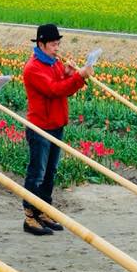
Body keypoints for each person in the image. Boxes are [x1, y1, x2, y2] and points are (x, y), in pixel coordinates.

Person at [21, 24, 93, 236]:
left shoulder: (54, 63)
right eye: (53, 44)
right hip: (40, 126)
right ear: (41, 44)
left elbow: (61, 86)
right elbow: (54, 90)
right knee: (37, 172)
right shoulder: (33, 68)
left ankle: (44, 210)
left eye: (58, 43)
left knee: (50, 171)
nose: (57, 48)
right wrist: (78, 77)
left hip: (56, 123)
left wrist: (68, 74)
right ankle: (30, 216)